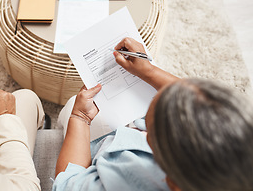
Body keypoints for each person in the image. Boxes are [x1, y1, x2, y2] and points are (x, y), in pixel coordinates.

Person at [53, 37, 253, 191]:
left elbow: (67, 184)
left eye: (151, 132)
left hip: (100, 154)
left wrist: (80, 117)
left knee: (70, 106)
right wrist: (148, 71)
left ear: (172, 182)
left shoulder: (128, 179)